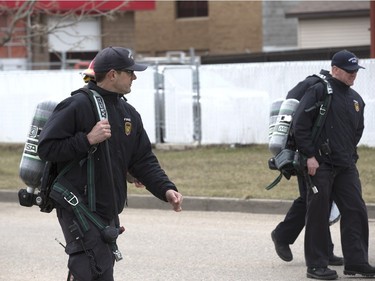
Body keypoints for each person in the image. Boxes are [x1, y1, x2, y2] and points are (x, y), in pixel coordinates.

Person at [38, 46, 183, 281]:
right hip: (77, 206)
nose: (135, 77)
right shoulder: (77, 105)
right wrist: (86, 139)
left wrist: (166, 189)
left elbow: (143, 160)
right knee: (90, 269)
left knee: (98, 270)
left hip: (108, 210)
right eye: (130, 72)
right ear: (113, 74)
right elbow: (47, 149)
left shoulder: (129, 114)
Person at [292, 49, 374, 280]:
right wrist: (309, 155)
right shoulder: (319, 91)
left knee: (356, 210)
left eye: (356, 71)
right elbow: (300, 124)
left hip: (346, 164)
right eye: (349, 71)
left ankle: (357, 262)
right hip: (320, 163)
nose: (353, 75)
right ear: (335, 69)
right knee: (318, 213)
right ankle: (316, 265)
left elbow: (357, 131)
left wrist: (350, 155)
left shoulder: (356, 99)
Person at [271, 69, 343, 266]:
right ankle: (282, 235)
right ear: (335, 70)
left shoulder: (332, 88)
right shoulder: (314, 85)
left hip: (325, 155)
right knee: (312, 199)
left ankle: (325, 251)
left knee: (321, 200)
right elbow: (297, 119)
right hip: (307, 153)